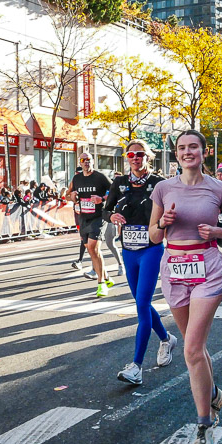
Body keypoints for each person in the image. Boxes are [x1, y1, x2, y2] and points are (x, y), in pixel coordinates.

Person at [149, 130, 222, 444]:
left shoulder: (219, 188)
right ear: (176, 153)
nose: (187, 152)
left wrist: (216, 230)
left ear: (205, 152)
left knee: (190, 348)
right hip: (174, 269)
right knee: (196, 348)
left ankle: (204, 425)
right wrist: (163, 222)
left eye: (193, 147)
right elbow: (153, 236)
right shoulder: (163, 188)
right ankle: (213, 392)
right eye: (182, 148)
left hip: (208, 267)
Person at [106, 140, 177, 385]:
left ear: (148, 157)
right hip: (128, 250)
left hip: (151, 249)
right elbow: (105, 210)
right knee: (140, 302)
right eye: (130, 154)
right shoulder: (119, 182)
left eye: (139, 154)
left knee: (142, 304)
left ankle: (136, 367)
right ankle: (166, 339)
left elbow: (172, 212)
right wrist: (111, 216)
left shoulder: (159, 183)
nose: (135, 158)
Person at [70, 152, 114, 297]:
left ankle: (101, 284)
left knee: (93, 247)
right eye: (83, 160)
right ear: (80, 162)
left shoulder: (100, 177)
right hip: (84, 217)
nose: (86, 162)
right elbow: (68, 194)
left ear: (93, 161)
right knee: (91, 250)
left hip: (98, 216)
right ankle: (106, 277)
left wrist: (102, 199)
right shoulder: (76, 178)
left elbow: (115, 191)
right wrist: (72, 197)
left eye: (88, 159)